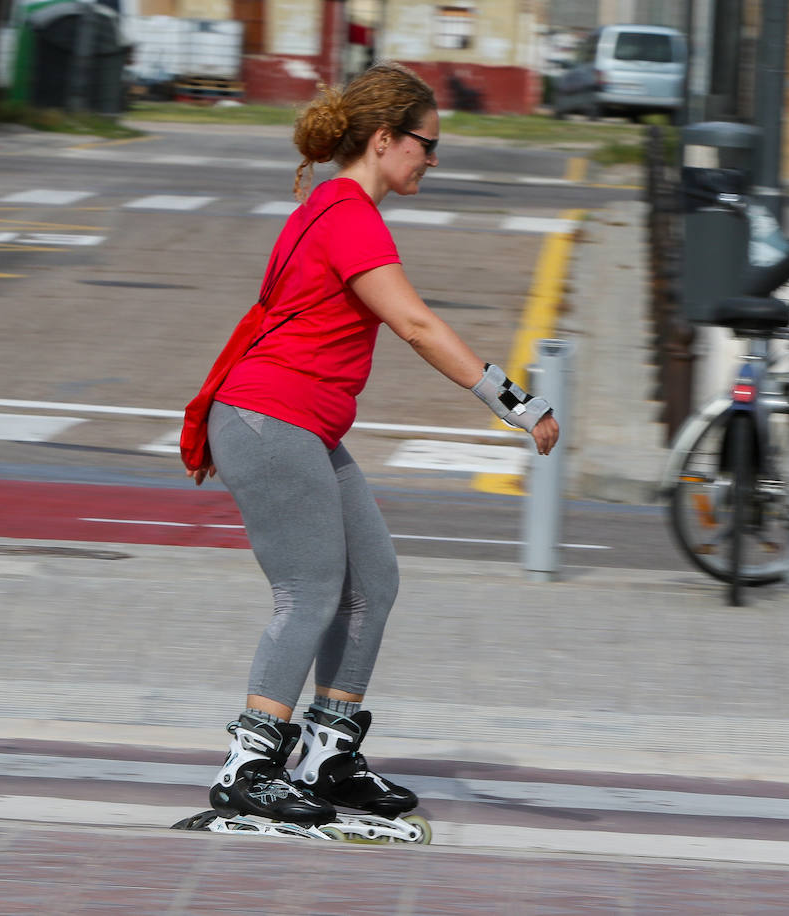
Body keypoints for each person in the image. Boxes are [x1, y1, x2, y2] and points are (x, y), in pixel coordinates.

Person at [185, 62, 560, 828]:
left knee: (372, 582)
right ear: (385, 139)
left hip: (296, 424)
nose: (431, 159)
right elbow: (417, 325)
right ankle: (248, 766)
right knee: (311, 591)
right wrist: (518, 404)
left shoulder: (329, 205)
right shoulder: (348, 213)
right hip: (270, 419)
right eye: (427, 144)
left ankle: (325, 756)